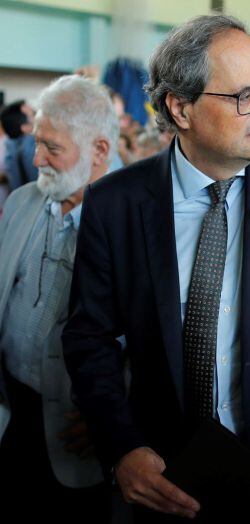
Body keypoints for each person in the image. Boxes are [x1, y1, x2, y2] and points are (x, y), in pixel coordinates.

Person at [62, 14, 250, 520]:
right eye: (244, 96)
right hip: (164, 473)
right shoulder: (115, 204)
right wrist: (121, 447)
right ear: (179, 107)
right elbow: (89, 337)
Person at [0, 75, 118, 521]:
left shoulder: (134, 223)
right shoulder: (21, 202)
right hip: (10, 412)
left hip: (75, 432)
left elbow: (152, 340)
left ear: (99, 152)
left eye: (52, 148)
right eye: (36, 143)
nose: (36, 159)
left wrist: (112, 416)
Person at [0, 100, 37, 191]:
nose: (39, 116)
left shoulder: (10, 146)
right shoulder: (31, 148)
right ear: (25, 127)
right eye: (33, 114)